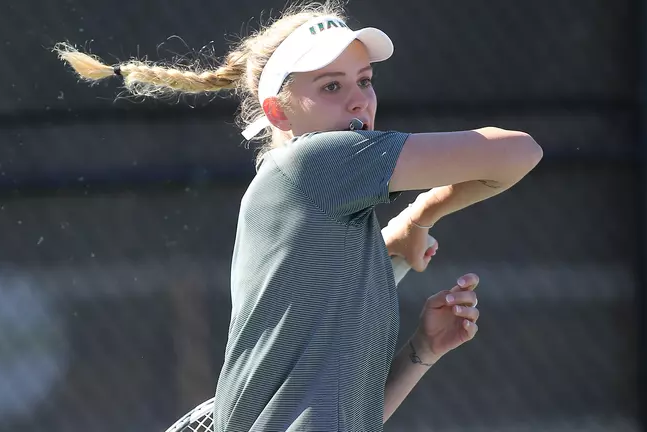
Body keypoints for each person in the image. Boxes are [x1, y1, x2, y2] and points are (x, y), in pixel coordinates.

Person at [54, 1, 543, 430]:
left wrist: (422, 351)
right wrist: (420, 218)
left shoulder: (322, 212)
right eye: (331, 86)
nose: (359, 99)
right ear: (278, 113)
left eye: (365, 81)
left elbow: (343, 415)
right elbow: (518, 152)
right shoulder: (317, 164)